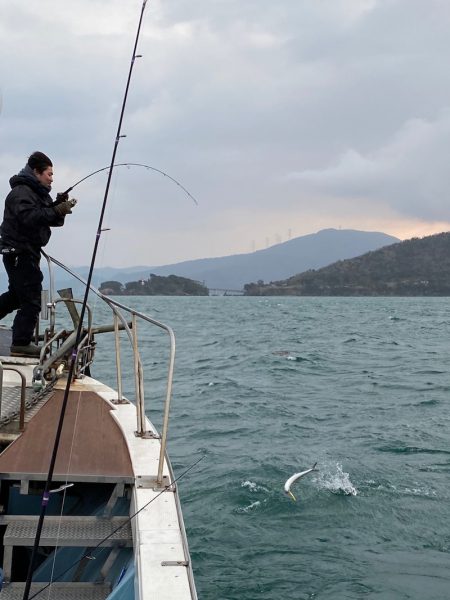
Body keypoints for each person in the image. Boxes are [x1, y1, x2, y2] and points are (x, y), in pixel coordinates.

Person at [0, 151, 74, 357]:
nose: (52, 178)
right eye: (49, 174)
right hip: (19, 252)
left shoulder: (37, 194)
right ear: (36, 172)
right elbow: (30, 217)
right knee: (32, 298)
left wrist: (58, 205)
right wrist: (56, 210)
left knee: (16, 296)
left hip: (25, 252)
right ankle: (21, 343)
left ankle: (21, 341)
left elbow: (49, 219)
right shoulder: (21, 192)